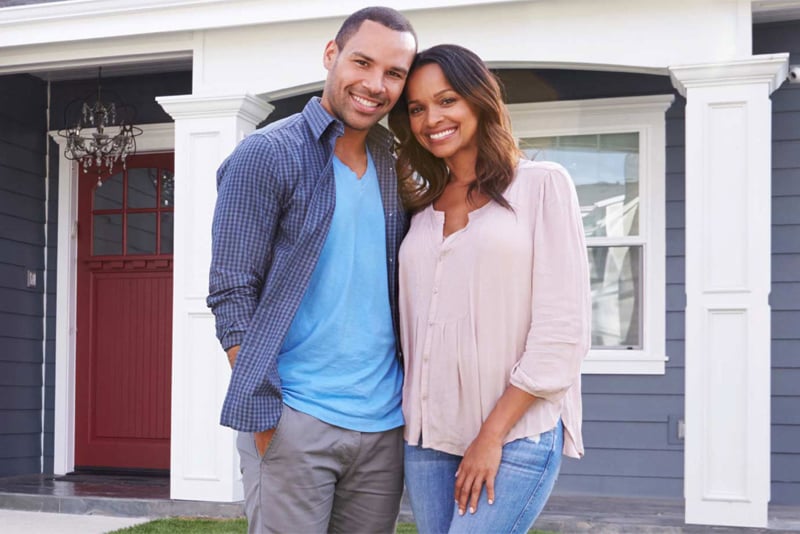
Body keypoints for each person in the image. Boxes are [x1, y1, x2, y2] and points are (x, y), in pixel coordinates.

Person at [206, 7, 417, 533]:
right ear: (331, 55)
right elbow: (231, 291)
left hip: (384, 424)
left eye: (393, 73)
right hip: (296, 417)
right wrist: (266, 415)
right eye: (362, 62)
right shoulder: (267, 155)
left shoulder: (394, 163)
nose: (375, 84)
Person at [388, 44, 591, 534]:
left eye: (447, 100)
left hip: (515, 433)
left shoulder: (542, 185)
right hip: (428, 438)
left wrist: (491, 436)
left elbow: (562, 330)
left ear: (479, 100)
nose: (430, 118)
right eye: (417, 108)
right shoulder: (418, 207)